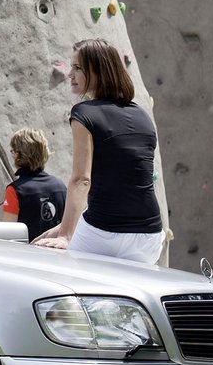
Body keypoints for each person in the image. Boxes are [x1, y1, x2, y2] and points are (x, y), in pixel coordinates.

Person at [33, 38, 164, 263]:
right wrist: (65, 226)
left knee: (59, 276)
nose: (70, 74)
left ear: (97, 71)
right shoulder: (142, 116)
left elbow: (82, 180)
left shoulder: (84, 113)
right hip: (150, 236)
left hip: (104, 231)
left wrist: (65, 235)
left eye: (77, 68)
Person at [1, 128, 66, 242]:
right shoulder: (60, 186)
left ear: (18, 154)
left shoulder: (15, 190)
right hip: (57, 253)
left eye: (13, 151)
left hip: (27, 255)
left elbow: (8, 233)